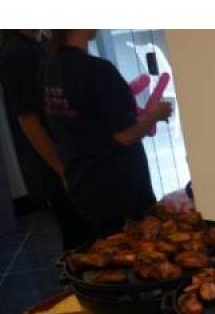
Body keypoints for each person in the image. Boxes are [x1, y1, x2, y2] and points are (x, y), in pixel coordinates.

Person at [42, 30, 173, 238]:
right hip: (120, 189)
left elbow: (86, 122)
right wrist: (156, 115)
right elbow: (124, 136)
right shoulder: (98, 71)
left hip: (82, 184)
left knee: (104, 253)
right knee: (139, 255)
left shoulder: (51, 68)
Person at [0, 29, 85, 249]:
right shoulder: (17, 52)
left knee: (80, 235)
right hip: (53, 164)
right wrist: (62, 169)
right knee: (78, 239)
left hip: (64, 159)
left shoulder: (35, 44)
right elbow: (28, 120)